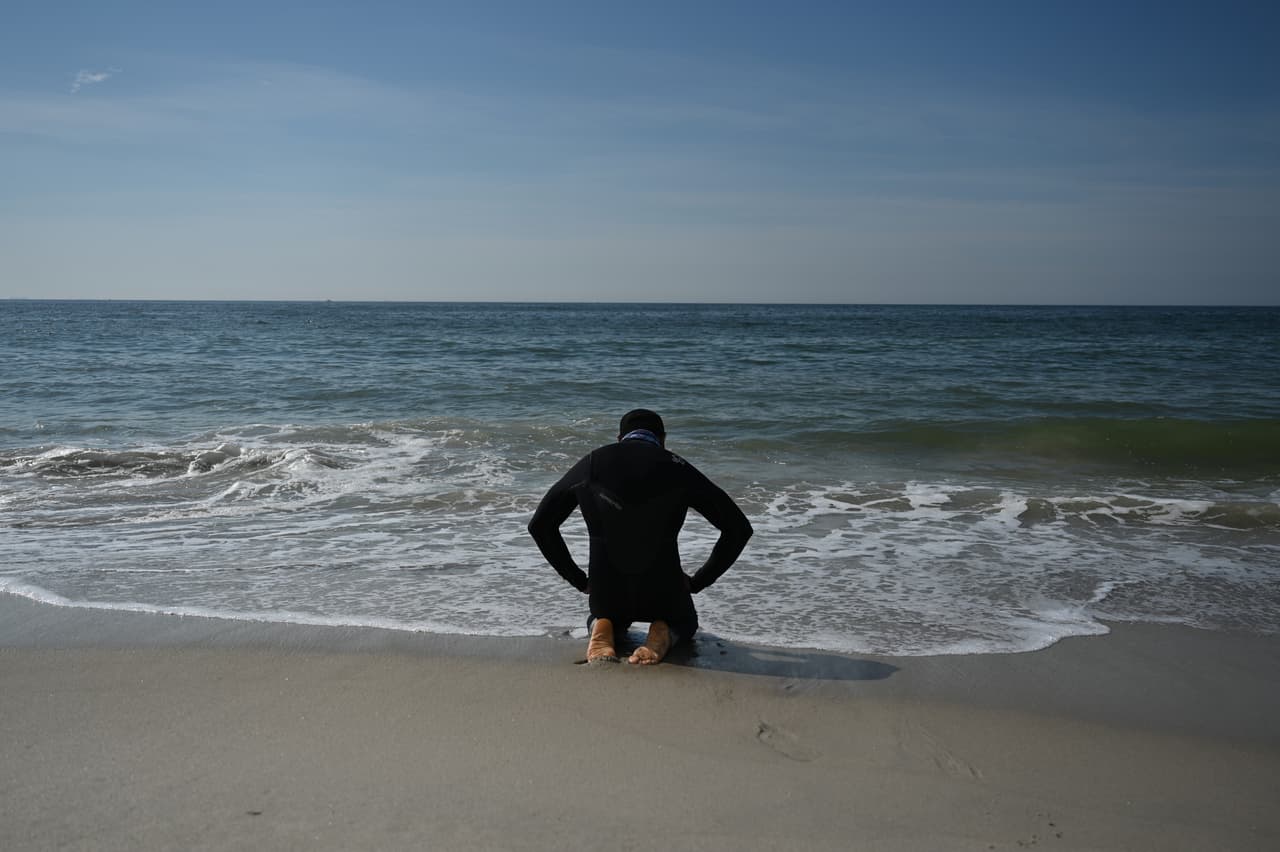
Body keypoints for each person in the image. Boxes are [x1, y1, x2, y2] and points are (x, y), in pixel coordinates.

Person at [528, 409, 753, 665]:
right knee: (685, 621)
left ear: (619, 436)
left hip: (607, 592)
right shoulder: (677, 466)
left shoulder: (592, 463)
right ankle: (664, 630)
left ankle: (602, 627)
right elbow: (738, 528)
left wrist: (578, 579)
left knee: (606, 615)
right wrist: (698, 581)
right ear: (663, 439)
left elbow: (540, 525)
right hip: (664, 592)